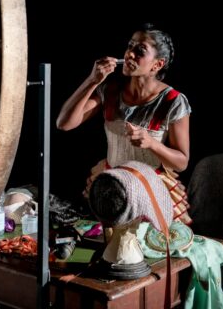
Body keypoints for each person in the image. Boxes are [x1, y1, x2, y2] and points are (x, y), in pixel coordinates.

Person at [56, 23, 192, 224]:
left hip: (150, 188)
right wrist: (92, 80)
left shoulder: (173, 101)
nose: (129, 54)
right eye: (130, 46)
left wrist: (152, 143)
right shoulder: (110, 91)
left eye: (140, 51)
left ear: (157, 65)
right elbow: (64, 123)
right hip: (112, 187)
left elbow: (181, 162)